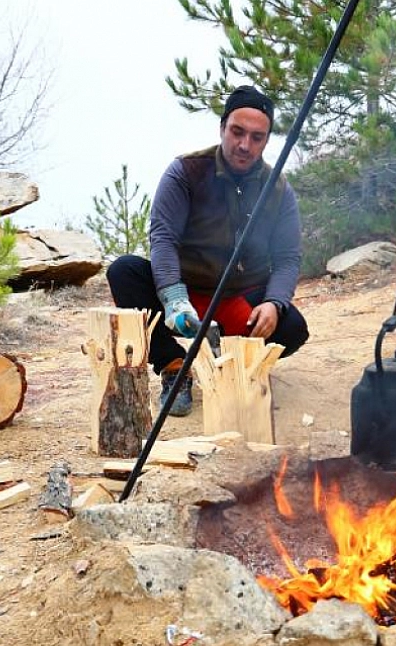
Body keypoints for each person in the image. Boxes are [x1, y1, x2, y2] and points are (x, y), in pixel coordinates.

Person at [106, 85, 309, 416]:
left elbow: (287, 258)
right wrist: (172, 297)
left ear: (267, 141)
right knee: (124, 271)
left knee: (292, 328)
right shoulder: (186, 171)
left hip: (239, 298)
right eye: (237, 132)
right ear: (222, 128)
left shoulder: (278, 190)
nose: (245, 145)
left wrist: (274, 303)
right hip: (185, 292)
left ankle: (232, 359)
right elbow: (164, 238)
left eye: (257, 137)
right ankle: (175, 367)